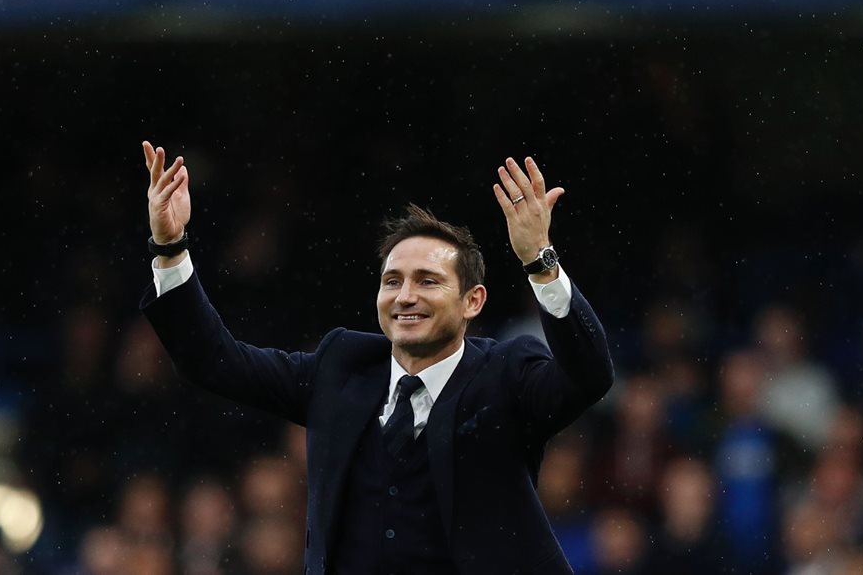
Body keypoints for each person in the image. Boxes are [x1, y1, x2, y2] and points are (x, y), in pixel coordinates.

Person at [138, 142, 614, 575]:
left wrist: (540, 262)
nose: (405, 296)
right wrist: (170, 248)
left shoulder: (506, 373)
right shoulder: (339, 366)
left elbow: (589, 376)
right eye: (393, 281)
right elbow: (214, 361)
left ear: (473, 301)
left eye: (428, 281)